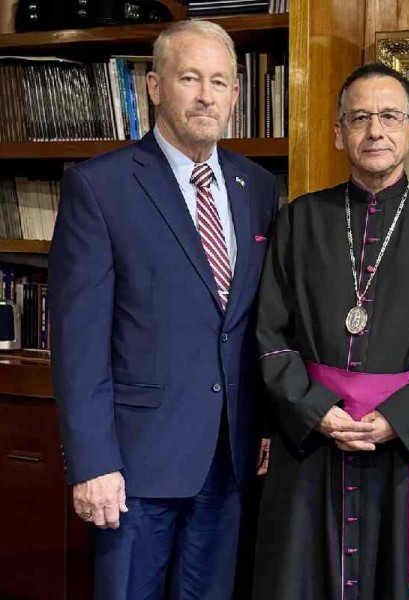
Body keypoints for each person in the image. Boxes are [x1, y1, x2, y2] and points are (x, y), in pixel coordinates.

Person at [49, 20, 278, 599]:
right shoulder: (100, 187)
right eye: (189, 78)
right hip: (134, 467)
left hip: (229, 459)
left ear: (235, 94)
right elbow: (77, 344)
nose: (206, 96)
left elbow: (259, 322)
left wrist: (266, 425)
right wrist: (92, 462)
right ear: (155, 87)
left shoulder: (257, 187)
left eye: (219, 82)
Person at [252, 62, 409, 600]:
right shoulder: (299, 220)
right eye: (359, 118)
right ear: (339, 133)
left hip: (406, 446)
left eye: (388, 116)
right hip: (312, 442)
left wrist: (396, 420)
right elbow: (270, 336)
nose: (374, 130)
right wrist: (316, 410)